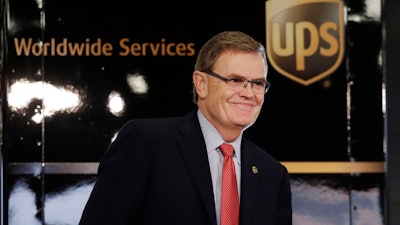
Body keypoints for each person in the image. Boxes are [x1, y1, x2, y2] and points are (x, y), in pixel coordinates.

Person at [79, 31, 292, 225]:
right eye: (236, 80)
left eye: (257, 83)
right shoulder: (145, 143)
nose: (248, 93)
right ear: (201, 84)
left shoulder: (273, 174)